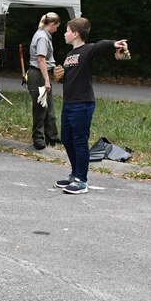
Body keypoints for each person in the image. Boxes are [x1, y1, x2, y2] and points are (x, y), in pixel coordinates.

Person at [52, 17, 128, 194]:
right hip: (69, 103)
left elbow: (100, 45)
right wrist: (62, 76)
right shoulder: (70, 54)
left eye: (67, 31)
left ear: (76, 34)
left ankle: (82, 181)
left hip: (83, 103)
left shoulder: (87, 50)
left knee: (80, 141)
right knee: (66, 139)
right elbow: (69, 76)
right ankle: (74, 174)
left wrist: (114, 44)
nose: (65, 34)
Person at [27, 12, 62, 150]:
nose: (57, 30)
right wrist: (47, 80)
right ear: (52, 24)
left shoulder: (42, 34)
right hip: (38, 75)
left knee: (49, 106)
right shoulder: (42, 37)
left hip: (41, 73)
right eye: (57, 27)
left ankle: (52, 136)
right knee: (40, 108)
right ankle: (38, 139)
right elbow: (41, 59)